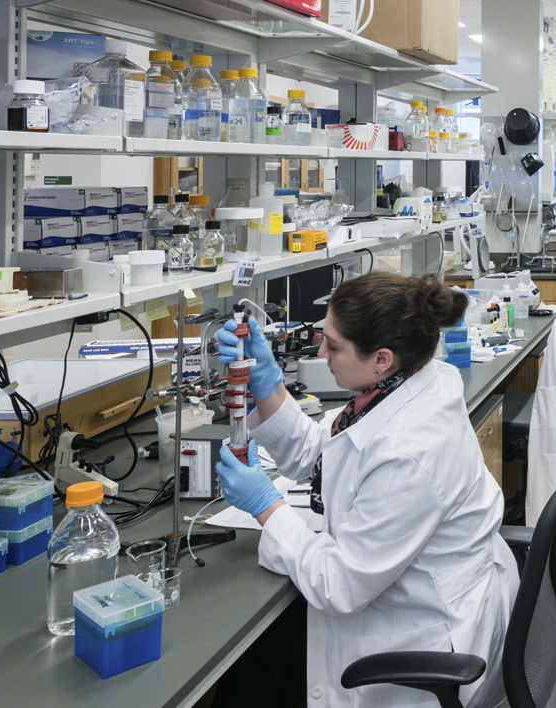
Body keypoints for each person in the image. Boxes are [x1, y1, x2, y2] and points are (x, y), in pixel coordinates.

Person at [212, 273, 517, 708]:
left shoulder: (409, 451)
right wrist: (269, 385)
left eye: (333, 346)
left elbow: (339, 584)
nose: (321, 353)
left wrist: (267, 506)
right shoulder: (403, 385)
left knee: (248, 677)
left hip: (422, 640)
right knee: (253, 666)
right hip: (409, 593)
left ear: (382, 358)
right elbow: (324, 453)